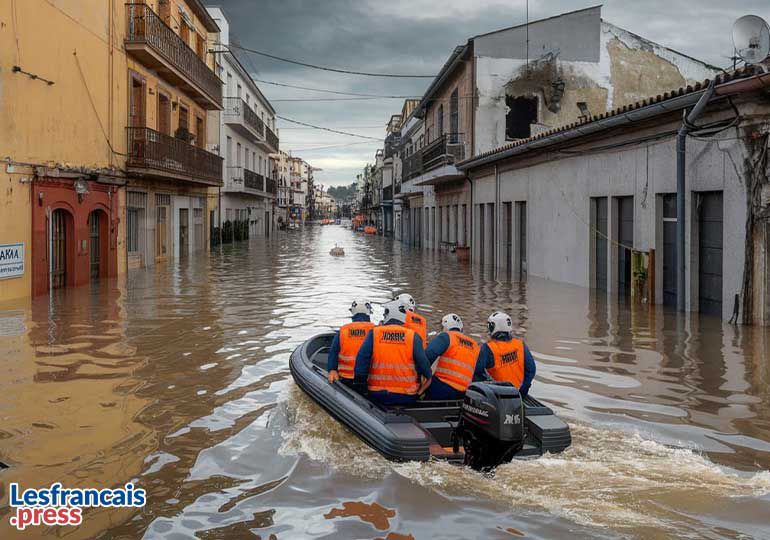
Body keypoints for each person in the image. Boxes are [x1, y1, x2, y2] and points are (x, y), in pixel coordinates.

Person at [354, 300, 432, 406]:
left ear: (388, 314)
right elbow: (424, 366)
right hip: (406, 396)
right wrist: (424, 383)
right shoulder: (413, 337)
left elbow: (362, 359)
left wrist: (360, 385)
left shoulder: (375, 333)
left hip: (377, 394)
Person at [475, 311, 536, 396]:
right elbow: (531, 370)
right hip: (518, 394)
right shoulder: (520, 345)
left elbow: (476, 372)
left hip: (497, 395)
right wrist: (523, 390)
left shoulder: (488, 348)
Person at [424, 313, 480, 400]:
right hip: (464, 392)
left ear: (445, 326)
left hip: (442, 388)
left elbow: (427, 357)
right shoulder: (475, 345)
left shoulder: (446, 336)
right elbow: (478, 370)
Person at [327, 299, 375, 384]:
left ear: (353, 312)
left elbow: (333, 352)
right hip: (368, 378)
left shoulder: (343, 330)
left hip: (345, 378)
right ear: (369, 312)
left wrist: (332, 369)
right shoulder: (376, 330)